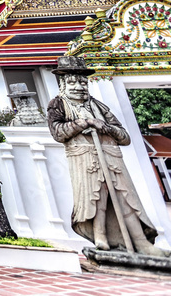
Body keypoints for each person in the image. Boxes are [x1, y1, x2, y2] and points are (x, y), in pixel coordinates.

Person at [47, 56, 167, 257]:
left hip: (111, 155)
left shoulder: (98, 105)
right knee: (96, 197)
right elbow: (58, 132)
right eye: (72, 82)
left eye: (83, 82)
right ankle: (100, 236)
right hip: (84, 156)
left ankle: (141, 242)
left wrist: (105, 127)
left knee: (126, 197)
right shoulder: (58, 105)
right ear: (62, 84)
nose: (79, 86)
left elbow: (125, 137)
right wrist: (84, 123)